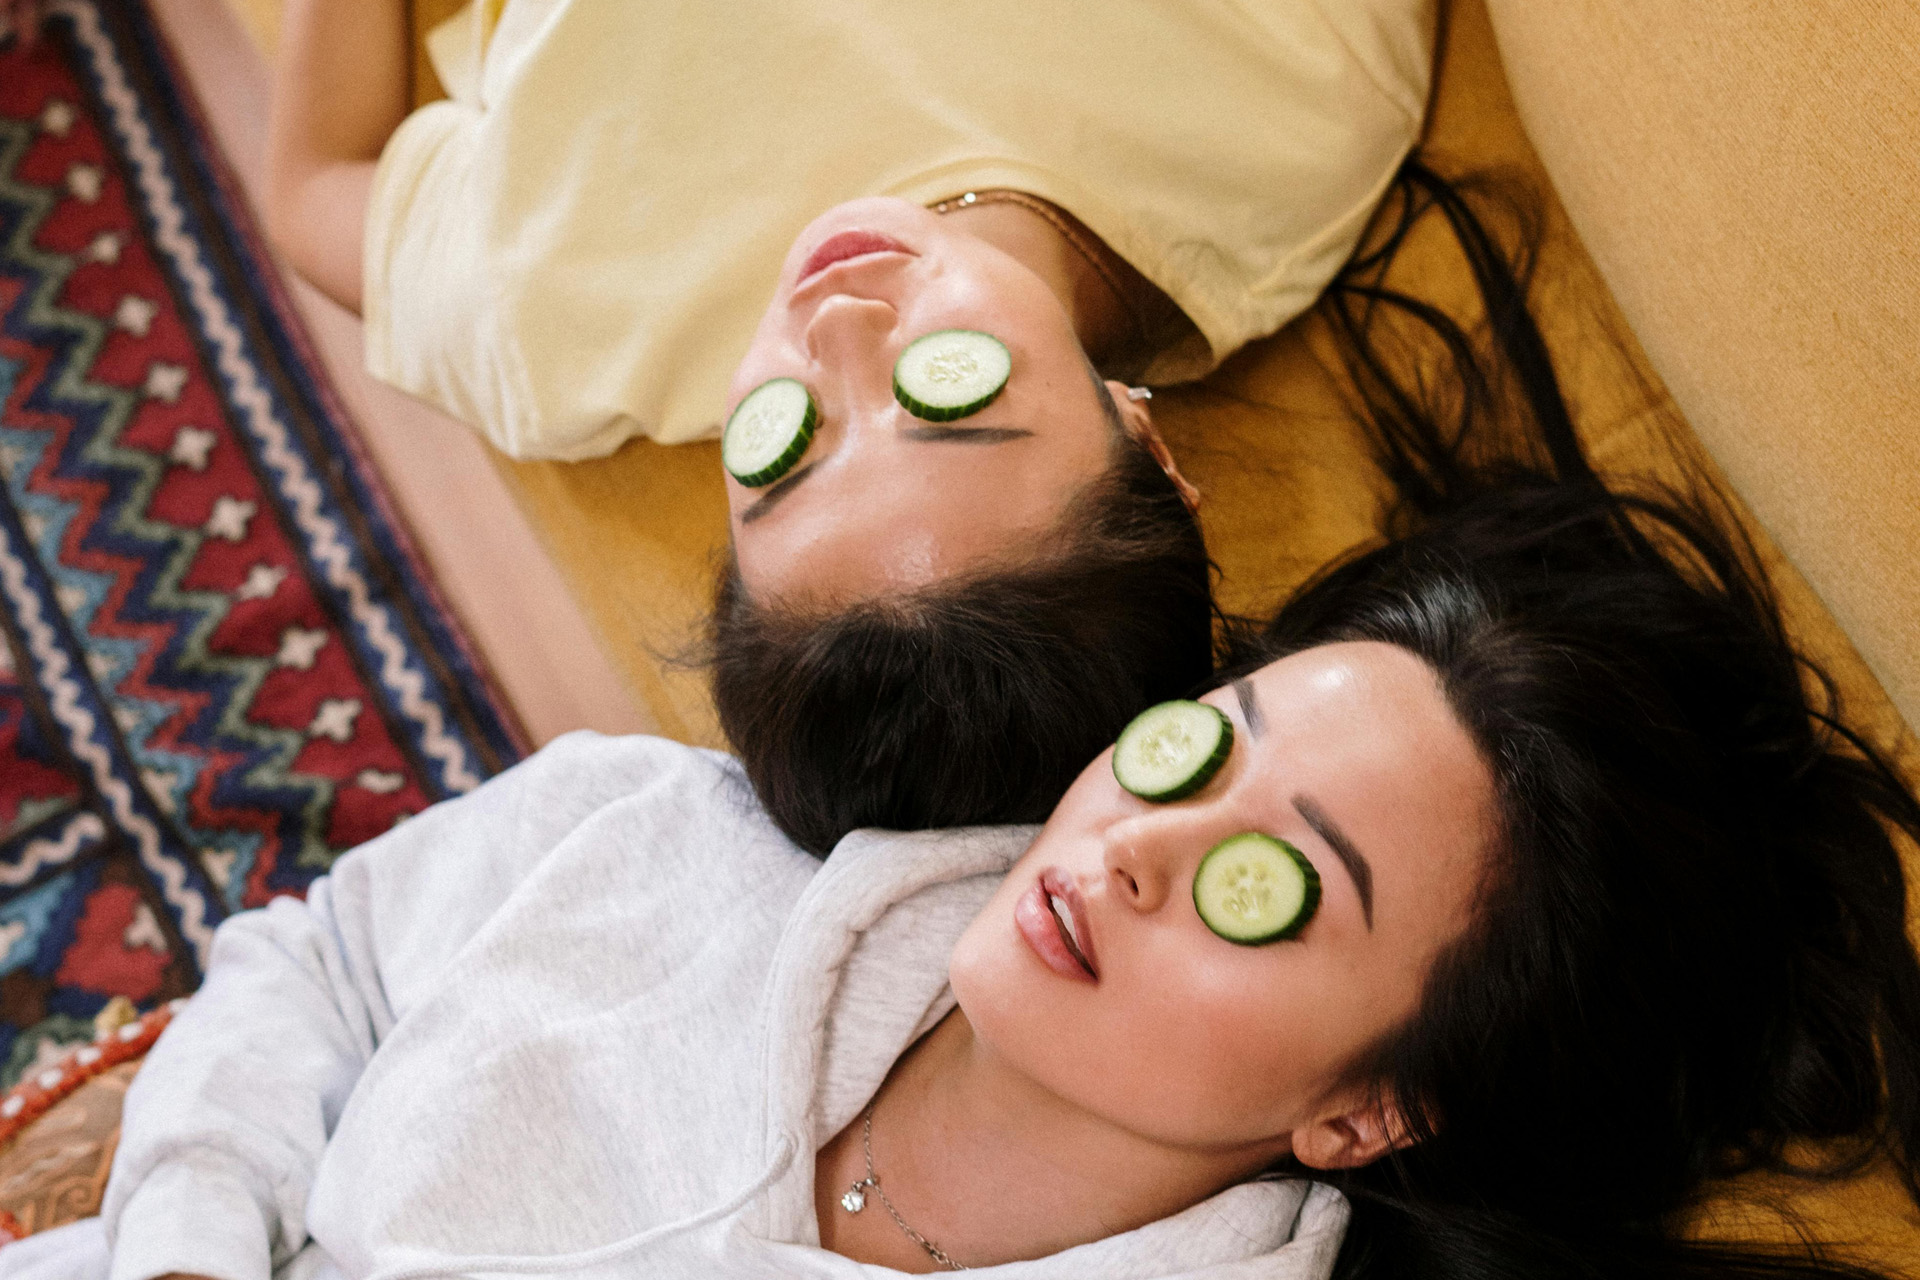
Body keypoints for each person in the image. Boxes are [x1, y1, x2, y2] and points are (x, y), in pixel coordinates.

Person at [5, 166, 1918, 1280]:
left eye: (1275, 883)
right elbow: (316, 959)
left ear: (1365, 1107)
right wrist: (185, 1239)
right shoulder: (676, 832)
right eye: (1203, 746)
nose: (1141, 840)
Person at [260, 0, 1436, 854]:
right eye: (951, 393)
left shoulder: (558, 317)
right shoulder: (1298, 98)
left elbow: (317, 185)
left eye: (780, 444)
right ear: (1148, 442)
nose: (836, 335)